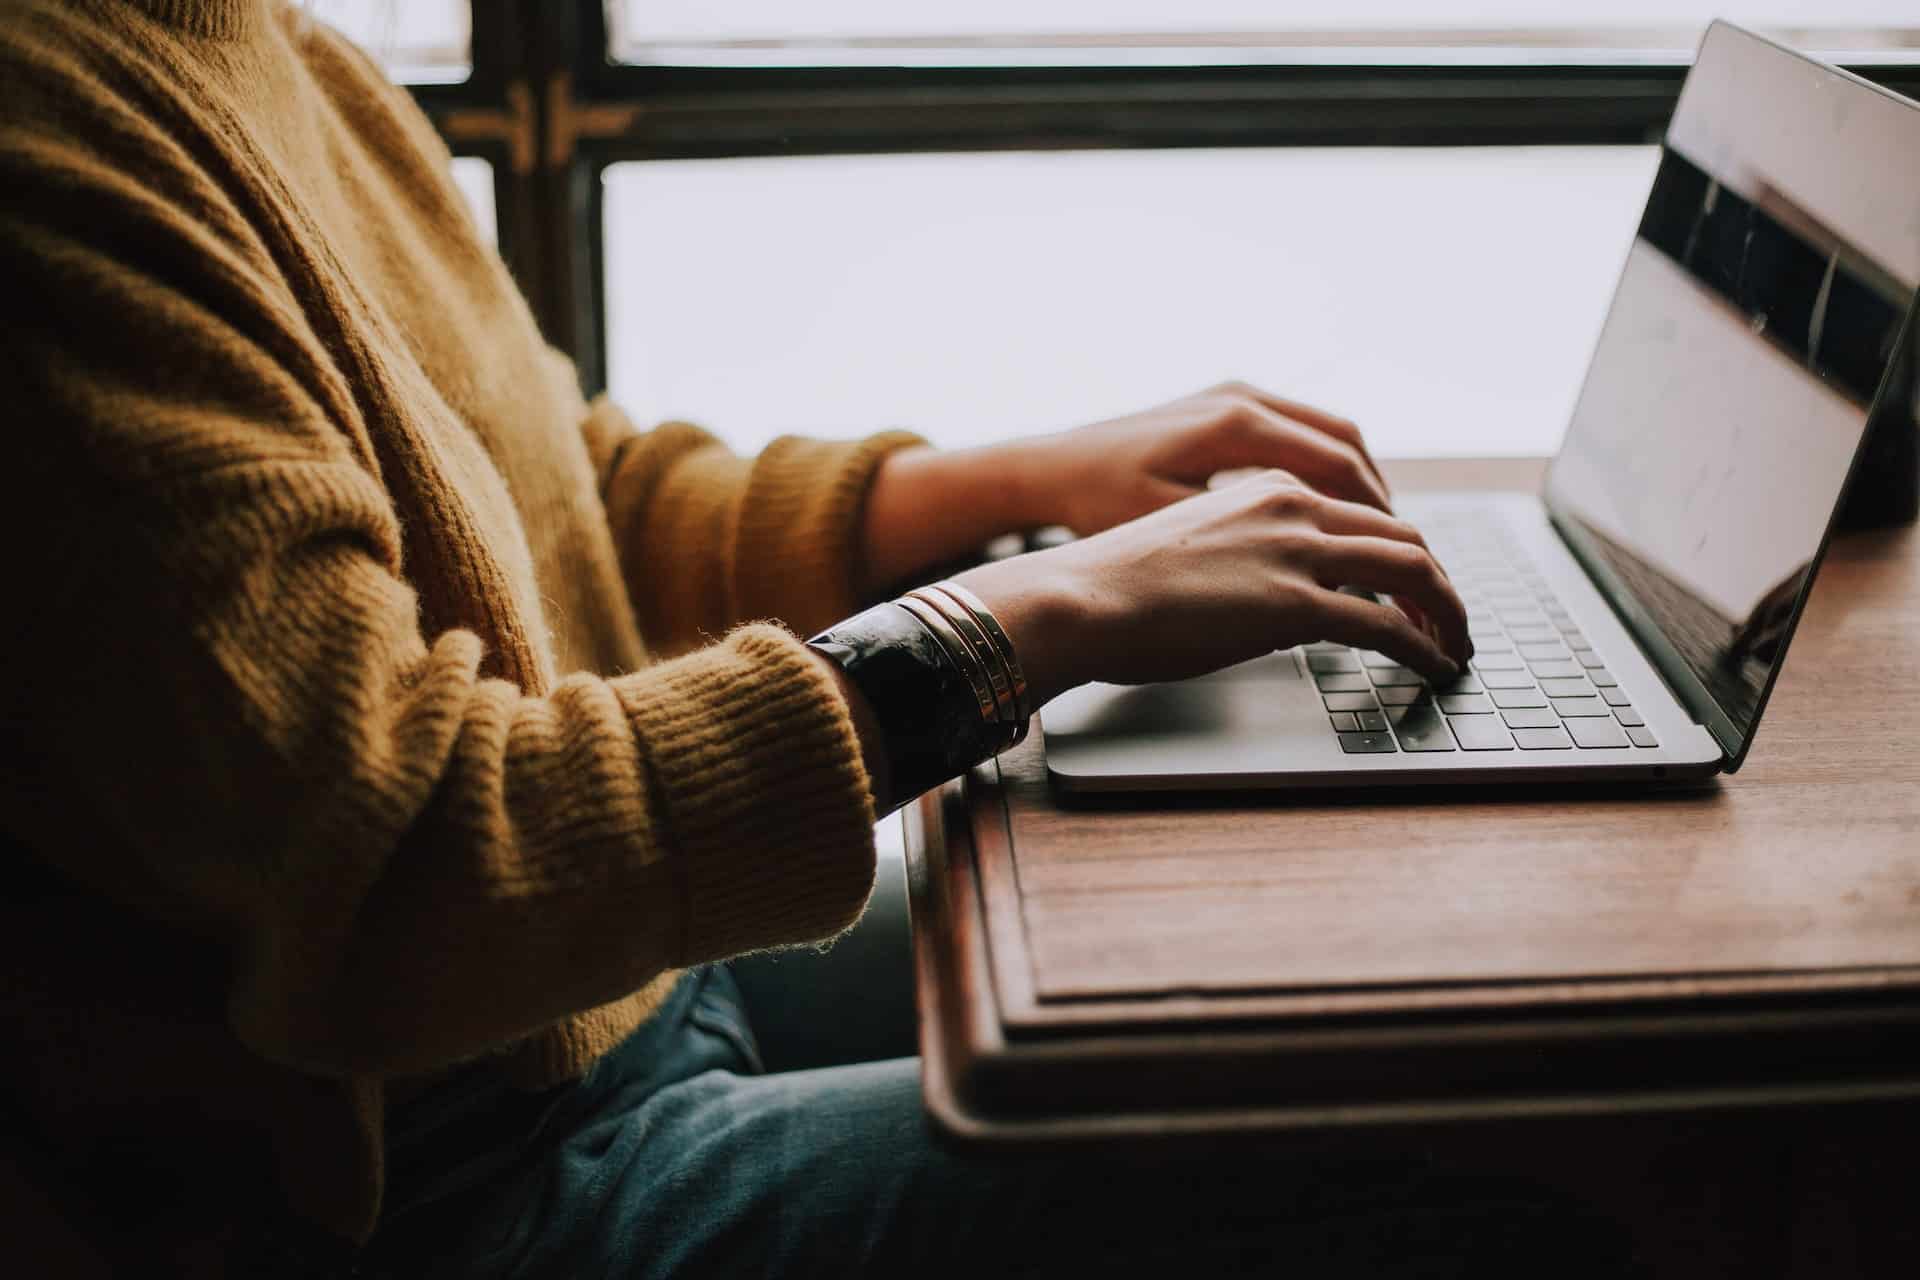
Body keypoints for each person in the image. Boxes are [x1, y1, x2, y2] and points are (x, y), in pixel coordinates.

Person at [3, 4, 1645, 1278]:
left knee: (1341, 973)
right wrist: (1025, 619)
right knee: (1441, 1167)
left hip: (607, 991)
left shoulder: (266, 48)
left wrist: (1011, 486)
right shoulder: (48, 150)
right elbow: (413, 863)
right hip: (445, 1192)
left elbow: (563, 490)